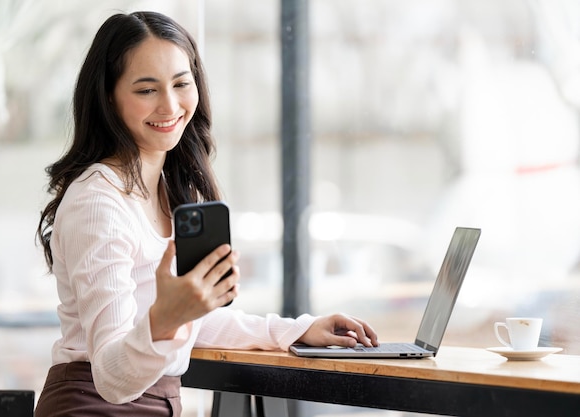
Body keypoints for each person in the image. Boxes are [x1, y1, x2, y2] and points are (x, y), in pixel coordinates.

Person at [34, 10, 378, 417]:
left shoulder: (166, 191)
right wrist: (167, 317)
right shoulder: (97, 201)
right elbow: (111, 377)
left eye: (181, 83)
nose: (170, 104)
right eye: (146, 90)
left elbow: (192, 324)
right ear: (108, 96)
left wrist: (297, 330)